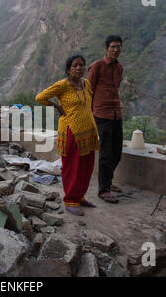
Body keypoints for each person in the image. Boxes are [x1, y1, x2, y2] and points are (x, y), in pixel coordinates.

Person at [35, 54, 99, 216]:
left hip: (88, 131)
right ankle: (70, 199)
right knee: (73, 166)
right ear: (68, 69)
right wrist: (56, 106)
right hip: (72, 131)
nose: (79, 68)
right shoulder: (63, 85)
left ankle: (80, 196)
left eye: (81, 65)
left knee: (86, 166)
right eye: (75, 65)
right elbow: (40, 97)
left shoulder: (86, 84)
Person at [87, 35, 124, 204]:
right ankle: (104, 190)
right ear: (106, 48)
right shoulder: (97, 66)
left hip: (116, 113)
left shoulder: (119, 68)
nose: (116, 49)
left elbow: (116, 88)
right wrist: (89, 113)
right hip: (101, 113)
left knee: (117, 151)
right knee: (106, 152)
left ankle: (108, 181)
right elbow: (89, 90)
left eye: (119, 46)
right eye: (113, 46)